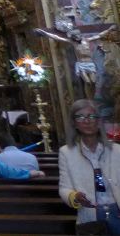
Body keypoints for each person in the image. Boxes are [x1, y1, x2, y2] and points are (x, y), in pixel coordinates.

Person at [59, 98, 120, 233]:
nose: (87, 121)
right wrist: (74, 196)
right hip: (91, 214)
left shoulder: (116, 150)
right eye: (80, 117)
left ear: (98, 121)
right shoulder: (66, 153)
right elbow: (64, 188)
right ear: (74, 123)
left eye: (91, 116)